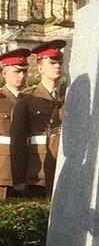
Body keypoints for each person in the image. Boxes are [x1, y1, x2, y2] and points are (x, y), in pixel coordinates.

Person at [11, 39, 66, 197]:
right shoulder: (27, 98)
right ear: (40, 67)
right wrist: (19, 177)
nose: (57, 66)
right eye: (52, 63)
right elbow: (18, 141)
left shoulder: (69, 96)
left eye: (60, 63)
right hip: (38, 174)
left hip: (65, 171)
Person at [0, 48, 30, 199]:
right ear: (4, 73)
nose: (22, 76)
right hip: (3, 175)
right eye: (16, 72)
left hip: (29, 173)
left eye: (24, 71)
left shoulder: (31, 99)